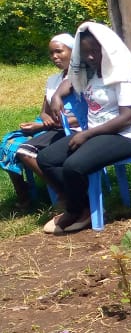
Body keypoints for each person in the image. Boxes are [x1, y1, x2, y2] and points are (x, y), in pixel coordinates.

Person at [39, 22, 131, 235]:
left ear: (108, 49)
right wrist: (56, 96)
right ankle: (84, 208)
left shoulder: (124, 73)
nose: (90, 56)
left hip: (127, 135)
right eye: (85, 52)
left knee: (74, 165)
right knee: (46, 159)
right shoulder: (91, 72)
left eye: (95, 50)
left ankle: (76, 211)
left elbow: (127, 118)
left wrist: (87, 134)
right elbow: (69, 82)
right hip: (96, 134)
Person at [0, 34, 76, 207]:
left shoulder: (80, 79)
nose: (54, 56)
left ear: (73, 52)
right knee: (8, 143)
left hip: (67, 129)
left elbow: (80, 118)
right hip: (51, 127)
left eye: (59, 51)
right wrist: (44, 121)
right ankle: (24, 195)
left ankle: (62, 191)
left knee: (23, 150)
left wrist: (41, 126)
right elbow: (44, 112)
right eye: (51, 53)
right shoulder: (53, 80)